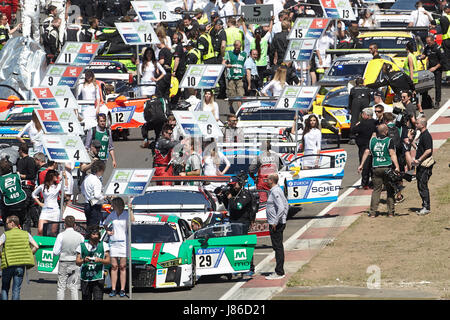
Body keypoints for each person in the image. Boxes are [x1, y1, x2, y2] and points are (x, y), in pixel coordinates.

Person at [358, 124, 400, 217]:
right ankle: (390, 212)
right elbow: (392, 154)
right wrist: (397, 166)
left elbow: (366, 152)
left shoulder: (372, 141)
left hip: (376, 167)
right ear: (386, 131)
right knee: (389, 189)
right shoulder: (389, 141)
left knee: (376, 190)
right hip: (387, 166)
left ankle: (372, 212)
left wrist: (361, 165)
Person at [0, 215, 39, 300]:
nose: (6, 225)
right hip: (20, 266)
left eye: (7, 223)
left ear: (12, 223)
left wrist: (1, 255)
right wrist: (29, 254)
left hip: (8, 265)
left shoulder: (6, 234)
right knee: (16, 289)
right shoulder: (26, 234)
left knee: (4, 288)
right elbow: (36, 246)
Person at [103, 197, 135, 298]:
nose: (112, 206)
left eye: (113, 205)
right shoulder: (112, 214)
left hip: (124, 243)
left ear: (118, 205)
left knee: (122, 267)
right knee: (114, 267)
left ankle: (122, 289)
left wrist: (130, 210)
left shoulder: (126, 214)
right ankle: (113, 289)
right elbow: (104, 223)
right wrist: (108, 231)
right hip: (113, 243)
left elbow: (133, 221)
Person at [52, 215, 84, 300]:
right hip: (75, 262)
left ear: (64, 224)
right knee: (74, 287)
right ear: (75, 225)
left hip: (64, 261)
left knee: (61, 287)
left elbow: (55, 252)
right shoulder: (80, 236)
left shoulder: (61, 235)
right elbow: (82, 251)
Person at [76, 225, 110, 300]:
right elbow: (77, 262)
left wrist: (100, 260)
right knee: (86, 298)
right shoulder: (82, 246)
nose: (95, 236)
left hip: (98, 277)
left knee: (98, 298)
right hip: (85, 277)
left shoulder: (104, 245)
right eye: (93, 234)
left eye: (97, 234)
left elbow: (108, 261)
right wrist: (84, 260)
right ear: (89, 235)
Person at [264, 173, 288, 280]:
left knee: (278, 247)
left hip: (276, 225)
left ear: (271, 181)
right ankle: (279, 271)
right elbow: (286, 204)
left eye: (267, 179)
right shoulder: (275, 191)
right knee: (277, 247)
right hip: (277, 223)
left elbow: (282, 207)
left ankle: (279, 272)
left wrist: (276, 221)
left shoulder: (276, 191)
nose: (266, 181)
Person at [32, 169, 65, 236]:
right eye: (56, 175)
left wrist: (65, 177)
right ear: (51, 176)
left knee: (53, 232)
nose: (57, 177)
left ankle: (51, 245)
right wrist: (39, 203)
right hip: (45, 211)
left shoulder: (58, 186)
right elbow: (33, 194)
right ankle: (40, 244)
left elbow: (66, 188)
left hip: (55, 211)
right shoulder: (42, 186)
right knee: (40, 230)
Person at [411, 117, 434, 215]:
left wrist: (419, 159)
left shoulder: (426, 135)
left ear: (422, 125)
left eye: (417, 124)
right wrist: (412, 142)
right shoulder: (421, 135)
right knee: (420, 185)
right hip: (420, 164)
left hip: (425, 165)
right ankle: (424, 205)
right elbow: (420, 148)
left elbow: (428, 150)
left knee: (422, 185)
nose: (415, 125)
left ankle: (426, 207)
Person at [351, 108, 377, 189]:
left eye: (363, 114)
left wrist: (357, 125)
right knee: (373, 165)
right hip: (374, 146)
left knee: (365, 165)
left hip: (364, 147)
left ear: (367, 115)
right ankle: (374, 182)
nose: (362, 115)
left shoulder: (363, 123)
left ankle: (365, 183)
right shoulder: (376, 122)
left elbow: (353, 130)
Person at [0, 159, 28, 227]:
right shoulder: (16, 175)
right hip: (21, 201)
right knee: (23, 219)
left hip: (9, 204)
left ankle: (7, 229)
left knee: (6, 219)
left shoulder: (1, 179)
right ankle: (21, 226)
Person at [16, 143, 37, 232]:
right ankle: (35, 221)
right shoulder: (25, 160)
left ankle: (26, 229)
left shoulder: (28, 161)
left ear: (21, 150)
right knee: (30, 206)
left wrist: (20, 175)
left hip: (26, 186)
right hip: (28, 186)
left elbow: (32, 174)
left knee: (25, 209)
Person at [420, 35, 445, 109]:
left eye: (429, 42)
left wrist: (435, 68)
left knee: (437, 86)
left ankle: (437, 102)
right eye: (427, 42)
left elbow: (443, 60)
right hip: (429, 69)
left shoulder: (438, 48)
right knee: (425, 85)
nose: (428, 44)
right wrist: (421, 56)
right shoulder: (427, 47)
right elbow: (424, 54)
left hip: (437, 69)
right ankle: (424, 101)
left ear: (432, 41)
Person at [223, 39, 246, 113]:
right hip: (231, 77)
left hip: (239, 77)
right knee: (232, 95)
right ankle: (230, 106)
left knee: (240, 94)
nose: (237, 48)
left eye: (238, 47)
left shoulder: (244, 54)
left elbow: (246, 64)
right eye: (236, 46)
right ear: (234, 46)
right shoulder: (229, 53)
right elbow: (223, 63)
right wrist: (227, 65)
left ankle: (240, 111)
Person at [81, 160, 105, 227]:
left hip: (87, 204)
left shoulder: (87, 178)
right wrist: (104, 196)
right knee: (94, 227)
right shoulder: (97, 181)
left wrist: (87, 196)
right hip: (95, 206)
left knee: (89, 225)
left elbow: (82, 190)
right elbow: (97, 195)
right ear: (100, 170)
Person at [348, 77, 372, 144]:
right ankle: (367, 135)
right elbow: (370, 97)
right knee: (366, 118)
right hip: (365, 101)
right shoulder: (367, 89)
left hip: (356, 101)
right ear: (362, 82)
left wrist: (350, 108)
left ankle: (352, 137)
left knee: (354, 119)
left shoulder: (353, 89)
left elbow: (350, 99)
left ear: (356, 83)